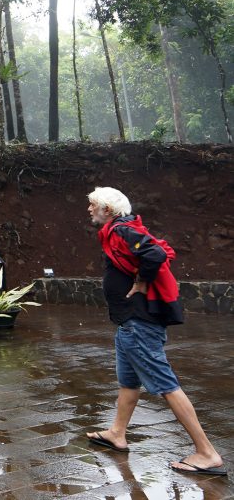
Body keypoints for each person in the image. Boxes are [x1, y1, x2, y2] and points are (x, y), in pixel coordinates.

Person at [83, 186, 226, 477]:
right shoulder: (119, 231)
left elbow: (156, 253)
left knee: (166, 385)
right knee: (128, 382)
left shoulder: (122, 230)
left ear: (107, 209)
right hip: (129, 323)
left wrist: (142, 281)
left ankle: (206, 452)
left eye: (93, 204)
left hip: (139, 324)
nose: (89, 209)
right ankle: (117, 433)